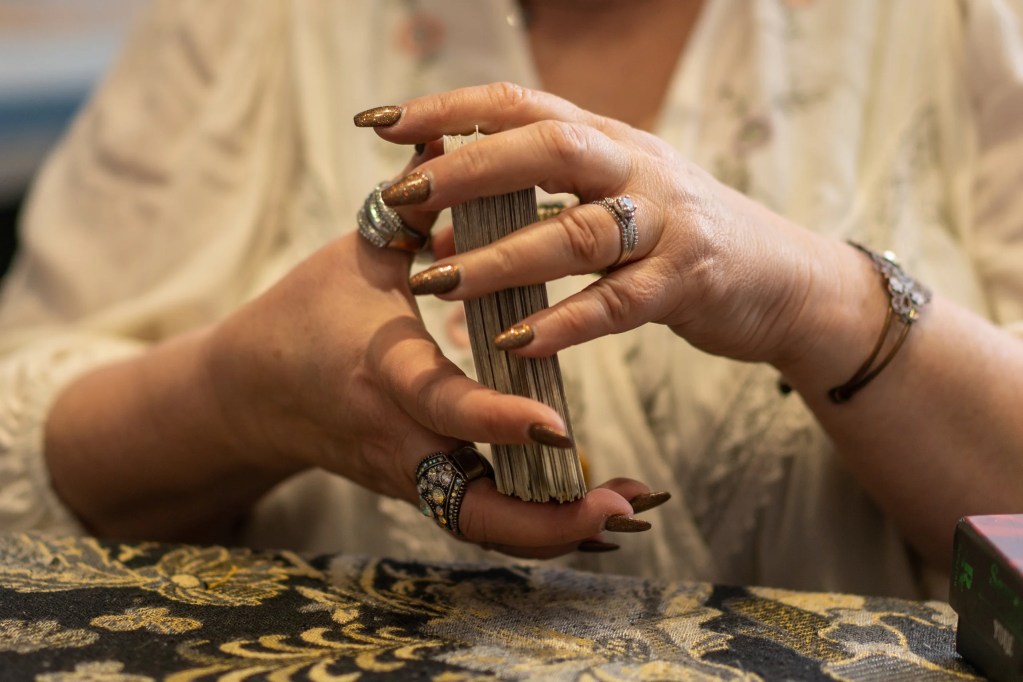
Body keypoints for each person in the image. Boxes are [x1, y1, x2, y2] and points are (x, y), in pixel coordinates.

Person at [0, 0, 1021, 600]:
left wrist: (823, 302)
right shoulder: (246, 27)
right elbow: (29, 465)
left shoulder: (963, 28)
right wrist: (235, 400)